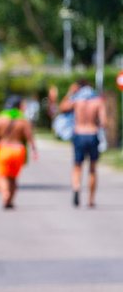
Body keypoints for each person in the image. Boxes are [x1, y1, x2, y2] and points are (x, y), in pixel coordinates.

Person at [0, 95, 38, 209]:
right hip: (18, 150)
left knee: (2, 176)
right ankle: (10, 200)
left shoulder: (0, 118)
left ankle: (5, 194)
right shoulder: (23, 120)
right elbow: (30, 137)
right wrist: (34, 150)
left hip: (3, 150)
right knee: (13, 177)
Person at [59, 79, 105, 207]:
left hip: (79, 133)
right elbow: (104, 122)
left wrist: (70, 93)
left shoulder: (76, 101)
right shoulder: (97, 102)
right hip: (92, 133)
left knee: (77, 166)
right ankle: (91, 199)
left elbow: (62, 108)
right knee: (92, 168)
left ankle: (76, 187)